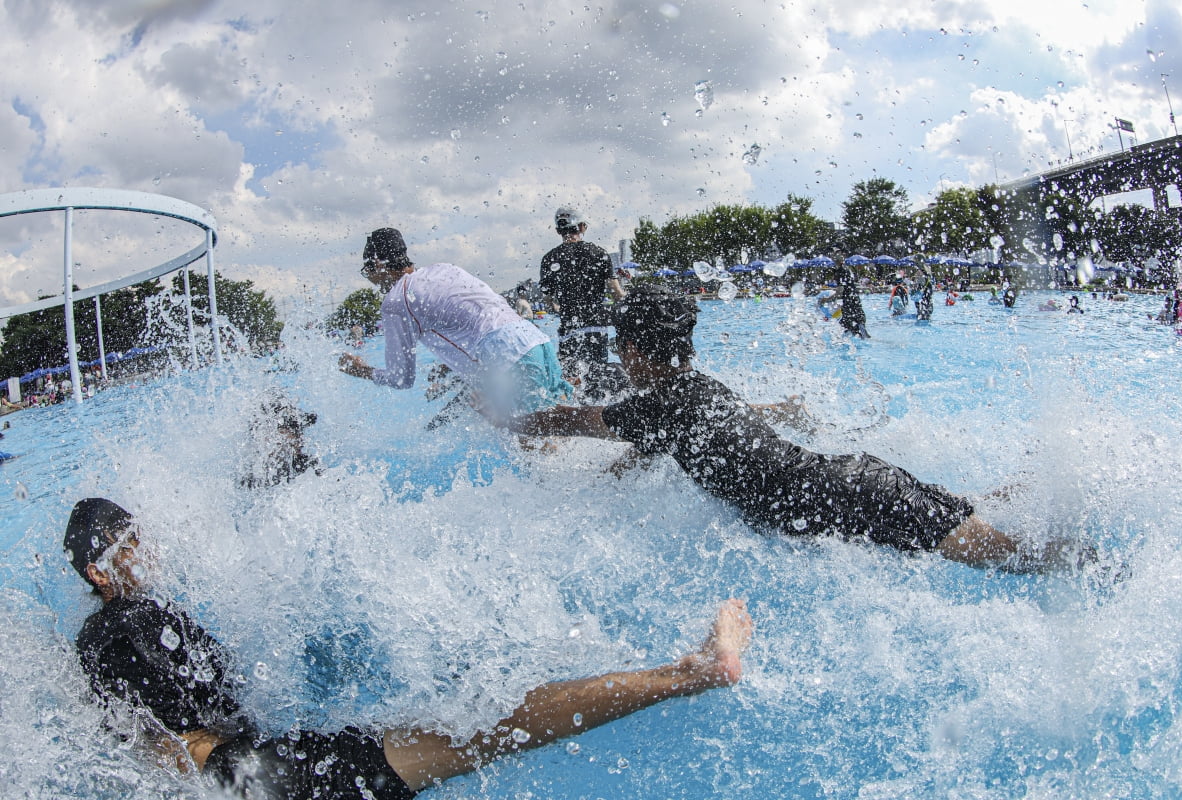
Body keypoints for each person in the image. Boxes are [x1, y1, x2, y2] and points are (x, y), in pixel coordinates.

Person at [64, 497, 753, 799]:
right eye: (130, 546)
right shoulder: (135, 620)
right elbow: (217, 717)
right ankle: (689, 673)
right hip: (255, 782)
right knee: (492, 728)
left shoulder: (93, 641)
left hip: (230, 781)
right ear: (99, 573)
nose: (147, 551)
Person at [497, 286, 1093, 574]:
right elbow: (651, 448)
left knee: (1028, 562)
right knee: (973, 521)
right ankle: (1034, 487)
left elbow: (571, 420)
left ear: (630, 349)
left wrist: (505, 417)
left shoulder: (662, 406)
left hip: (854, 498)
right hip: (853, 487)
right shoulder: (691, 391)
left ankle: (1098, 564)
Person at [340, 227, 573, 423]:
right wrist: (449, 368)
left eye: (367, 270)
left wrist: (361, 370)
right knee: (560, 426)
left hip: (507, 357)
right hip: (537, 341)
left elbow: (400, 378)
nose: (370, 278)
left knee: (532, 441)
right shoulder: (445, 269)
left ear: (378, 264)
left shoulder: (396, 300)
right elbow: (478, 321)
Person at [539, 207, 629, 399]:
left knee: (572, 381)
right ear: (582, 227)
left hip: (568, 331)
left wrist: (559, 308)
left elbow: (548, 303)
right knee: (598, 381)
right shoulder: (598, 253)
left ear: (558, 231)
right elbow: (618, 294)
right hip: (596, 329)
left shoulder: (549, 259)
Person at [239, 394, 321, 489]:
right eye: (294, 429)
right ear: (267, 435)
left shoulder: (309, 467)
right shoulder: (248, 474)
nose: (301, 439)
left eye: (301, 430)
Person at [834, 265, 869, 338]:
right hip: (857, 309)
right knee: (858, 324)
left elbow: (839, 291)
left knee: (845, 327)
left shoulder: (841, 277)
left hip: (848, 310)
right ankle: (860, 326)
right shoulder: (851, 283)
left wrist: (826, 299)